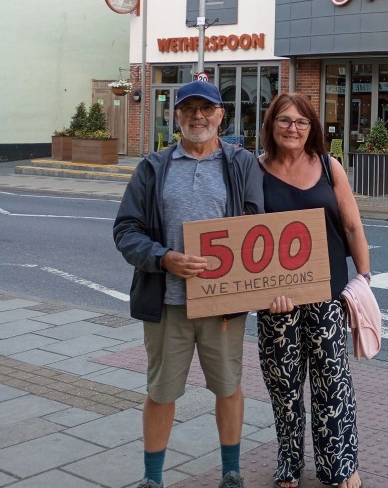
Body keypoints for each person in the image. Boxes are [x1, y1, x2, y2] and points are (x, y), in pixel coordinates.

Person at [114, 80, 264, 488]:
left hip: (221, 303)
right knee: (161, 392)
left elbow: (257, 228)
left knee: (228, 386)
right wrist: (163, 258)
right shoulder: (153, 167)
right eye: (189, 109)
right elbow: (126, 230)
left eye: (207, 108)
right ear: (175, 115)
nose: (198, 116)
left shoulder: (240, 163)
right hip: (166, 303)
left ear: (221, 115)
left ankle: (231, 473)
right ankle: (152, 479)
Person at [257, 92, 371, 488]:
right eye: (285, 121)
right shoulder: (255, 171)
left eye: (302, 122)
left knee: (331, 382)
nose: (293, 128)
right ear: (271, 125)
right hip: (275, 301)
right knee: (283, 386)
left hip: (327, 295)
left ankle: (340, 465)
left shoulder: (328, 166)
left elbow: (353, 226)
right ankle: (289, 461)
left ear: (312, 128)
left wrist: (364, 277)